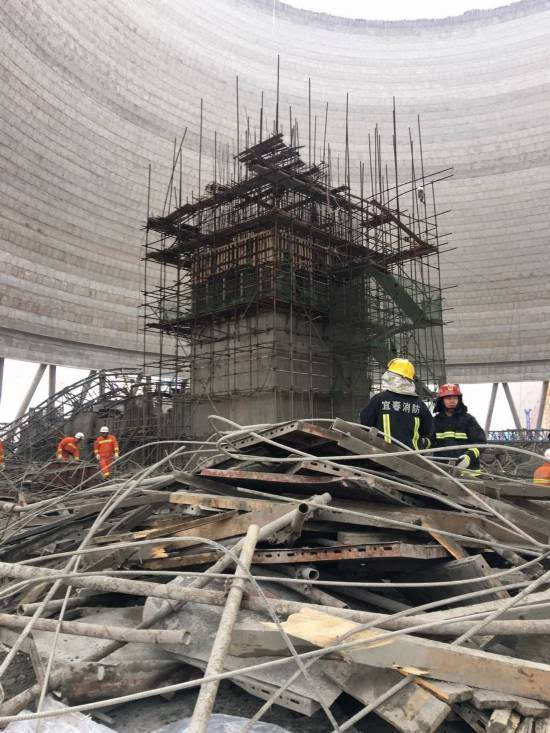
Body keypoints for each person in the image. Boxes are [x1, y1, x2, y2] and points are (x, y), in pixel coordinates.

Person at [360, 358, 433, 450]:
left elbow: (365, 423)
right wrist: (421, 446)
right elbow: (429, 431)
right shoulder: (419, 404)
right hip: (413, 456)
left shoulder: (380, 399)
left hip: (383, 453)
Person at [431, 383, 485, 476]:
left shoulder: (468, 420)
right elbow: (430, 443)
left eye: (455, 398)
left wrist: (468, 457)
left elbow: (481, 443)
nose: (452, 401)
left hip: (469, 474)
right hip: (444, 473)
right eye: (448, 398)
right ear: (441, 401)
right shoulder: (435, 421)